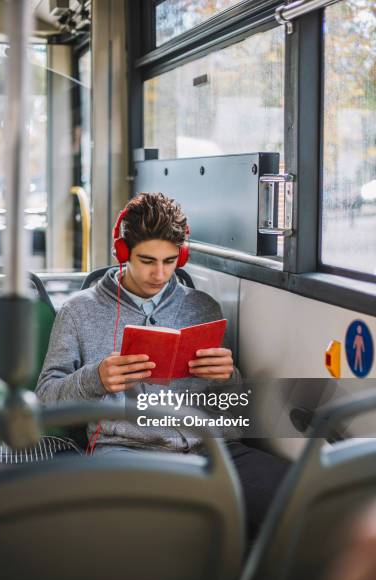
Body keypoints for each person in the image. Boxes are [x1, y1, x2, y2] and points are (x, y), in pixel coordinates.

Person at [36, 192, 288, 536]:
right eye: (146, 260)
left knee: (299, 498)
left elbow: (232, 414)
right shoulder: (78, 312)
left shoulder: (204, 307)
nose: (159, 273)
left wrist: (229, 378)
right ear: (122, 253)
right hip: (126, 452)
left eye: (170, 261)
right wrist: (95, 379)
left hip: (214, 448)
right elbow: (45, 401)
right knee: (154, 530)